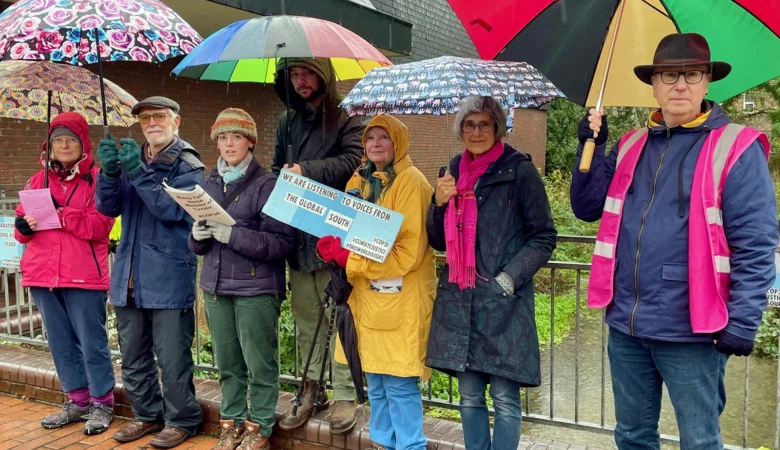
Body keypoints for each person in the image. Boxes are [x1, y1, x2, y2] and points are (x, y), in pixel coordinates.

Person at [570, 33, 778, 450]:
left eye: (692, 74)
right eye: (669, 75)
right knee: (632, 436)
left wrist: (743, 321)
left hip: (693, 331)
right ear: (654, 83)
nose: (680, 85)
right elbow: (587, 206)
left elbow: (757, 246)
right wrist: (591, 145)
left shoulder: (736, 147)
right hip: (627, 324)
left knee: (699, 441)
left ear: (706, 82)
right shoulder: (631, 144)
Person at [426, 96, 557, 450]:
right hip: (461, 302)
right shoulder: (452, 172)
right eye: (469, 125)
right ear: (460, 130)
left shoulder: (519, 171)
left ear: (498, 128)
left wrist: (508, 279)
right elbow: (437, 240)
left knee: (504, 398)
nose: (477, 132)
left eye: (484, 124)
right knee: (469, 397)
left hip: (503, 305)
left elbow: (544, 236)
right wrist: (438, 204)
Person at [317, 114, 435, 450]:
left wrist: (349, 259)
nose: (375, 144)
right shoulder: (359, 179)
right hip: (368, 301)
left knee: (399, 385)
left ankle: (410, 446)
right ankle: (383, 443)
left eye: (384, 137)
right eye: (370, 138)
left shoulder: (412, 183)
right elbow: (347, 229)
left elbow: (408, 253)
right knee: (377, 385)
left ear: (398, 142)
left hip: (400, 302)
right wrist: (332, 243)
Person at [96, 96, 205, 449]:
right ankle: (146, 414)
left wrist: (137, 172)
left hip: (168, 274)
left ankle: (182, 420)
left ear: (176, 121)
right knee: (133, 355)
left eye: (159, 117)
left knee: (172, 357)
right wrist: (110, 173)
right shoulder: (134, 157)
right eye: (145, 119)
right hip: (129, 274)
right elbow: (107, 207)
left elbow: (170, 210)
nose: (152, 123)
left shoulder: (188, 164)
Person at [188, 108, 294, 450]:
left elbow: (281, 242)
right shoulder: (209, 183)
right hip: (216, 287)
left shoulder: (267, 184)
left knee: (260, 365)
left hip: (256, 289)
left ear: (250, 142)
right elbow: (199, 245)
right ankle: (231, 425)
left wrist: (231, 235)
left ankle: (259, 428)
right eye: (222, 137)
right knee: (228, 365)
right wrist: (197, 236)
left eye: (236, 136)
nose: (229, 143)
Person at [272, 58, 366, 434]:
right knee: (306, 317)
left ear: (324, 74)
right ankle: (312, 387)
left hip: (334, 234)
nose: (301, 81)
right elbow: (278, 167)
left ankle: (345, 393)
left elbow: (354, 160)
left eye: (308, 73)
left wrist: (306, 171)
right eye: (294, 75)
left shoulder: (347, 116)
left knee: (339, 318)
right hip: (298, 235)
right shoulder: (287, 121)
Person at [14, 112, 115, 435]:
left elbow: (101, 226)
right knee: (60, 343)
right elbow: (21, 230)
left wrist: (63, 215)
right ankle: (78, 400)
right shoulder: (37, 181)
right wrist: (23, 227)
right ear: (49, 145)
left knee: (92, 342)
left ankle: (102, 403)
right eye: (58, 140)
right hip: (43, 275)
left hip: (83, 274)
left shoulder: (98, 180)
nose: (64, 145)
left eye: (71, 139)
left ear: (84, 144)